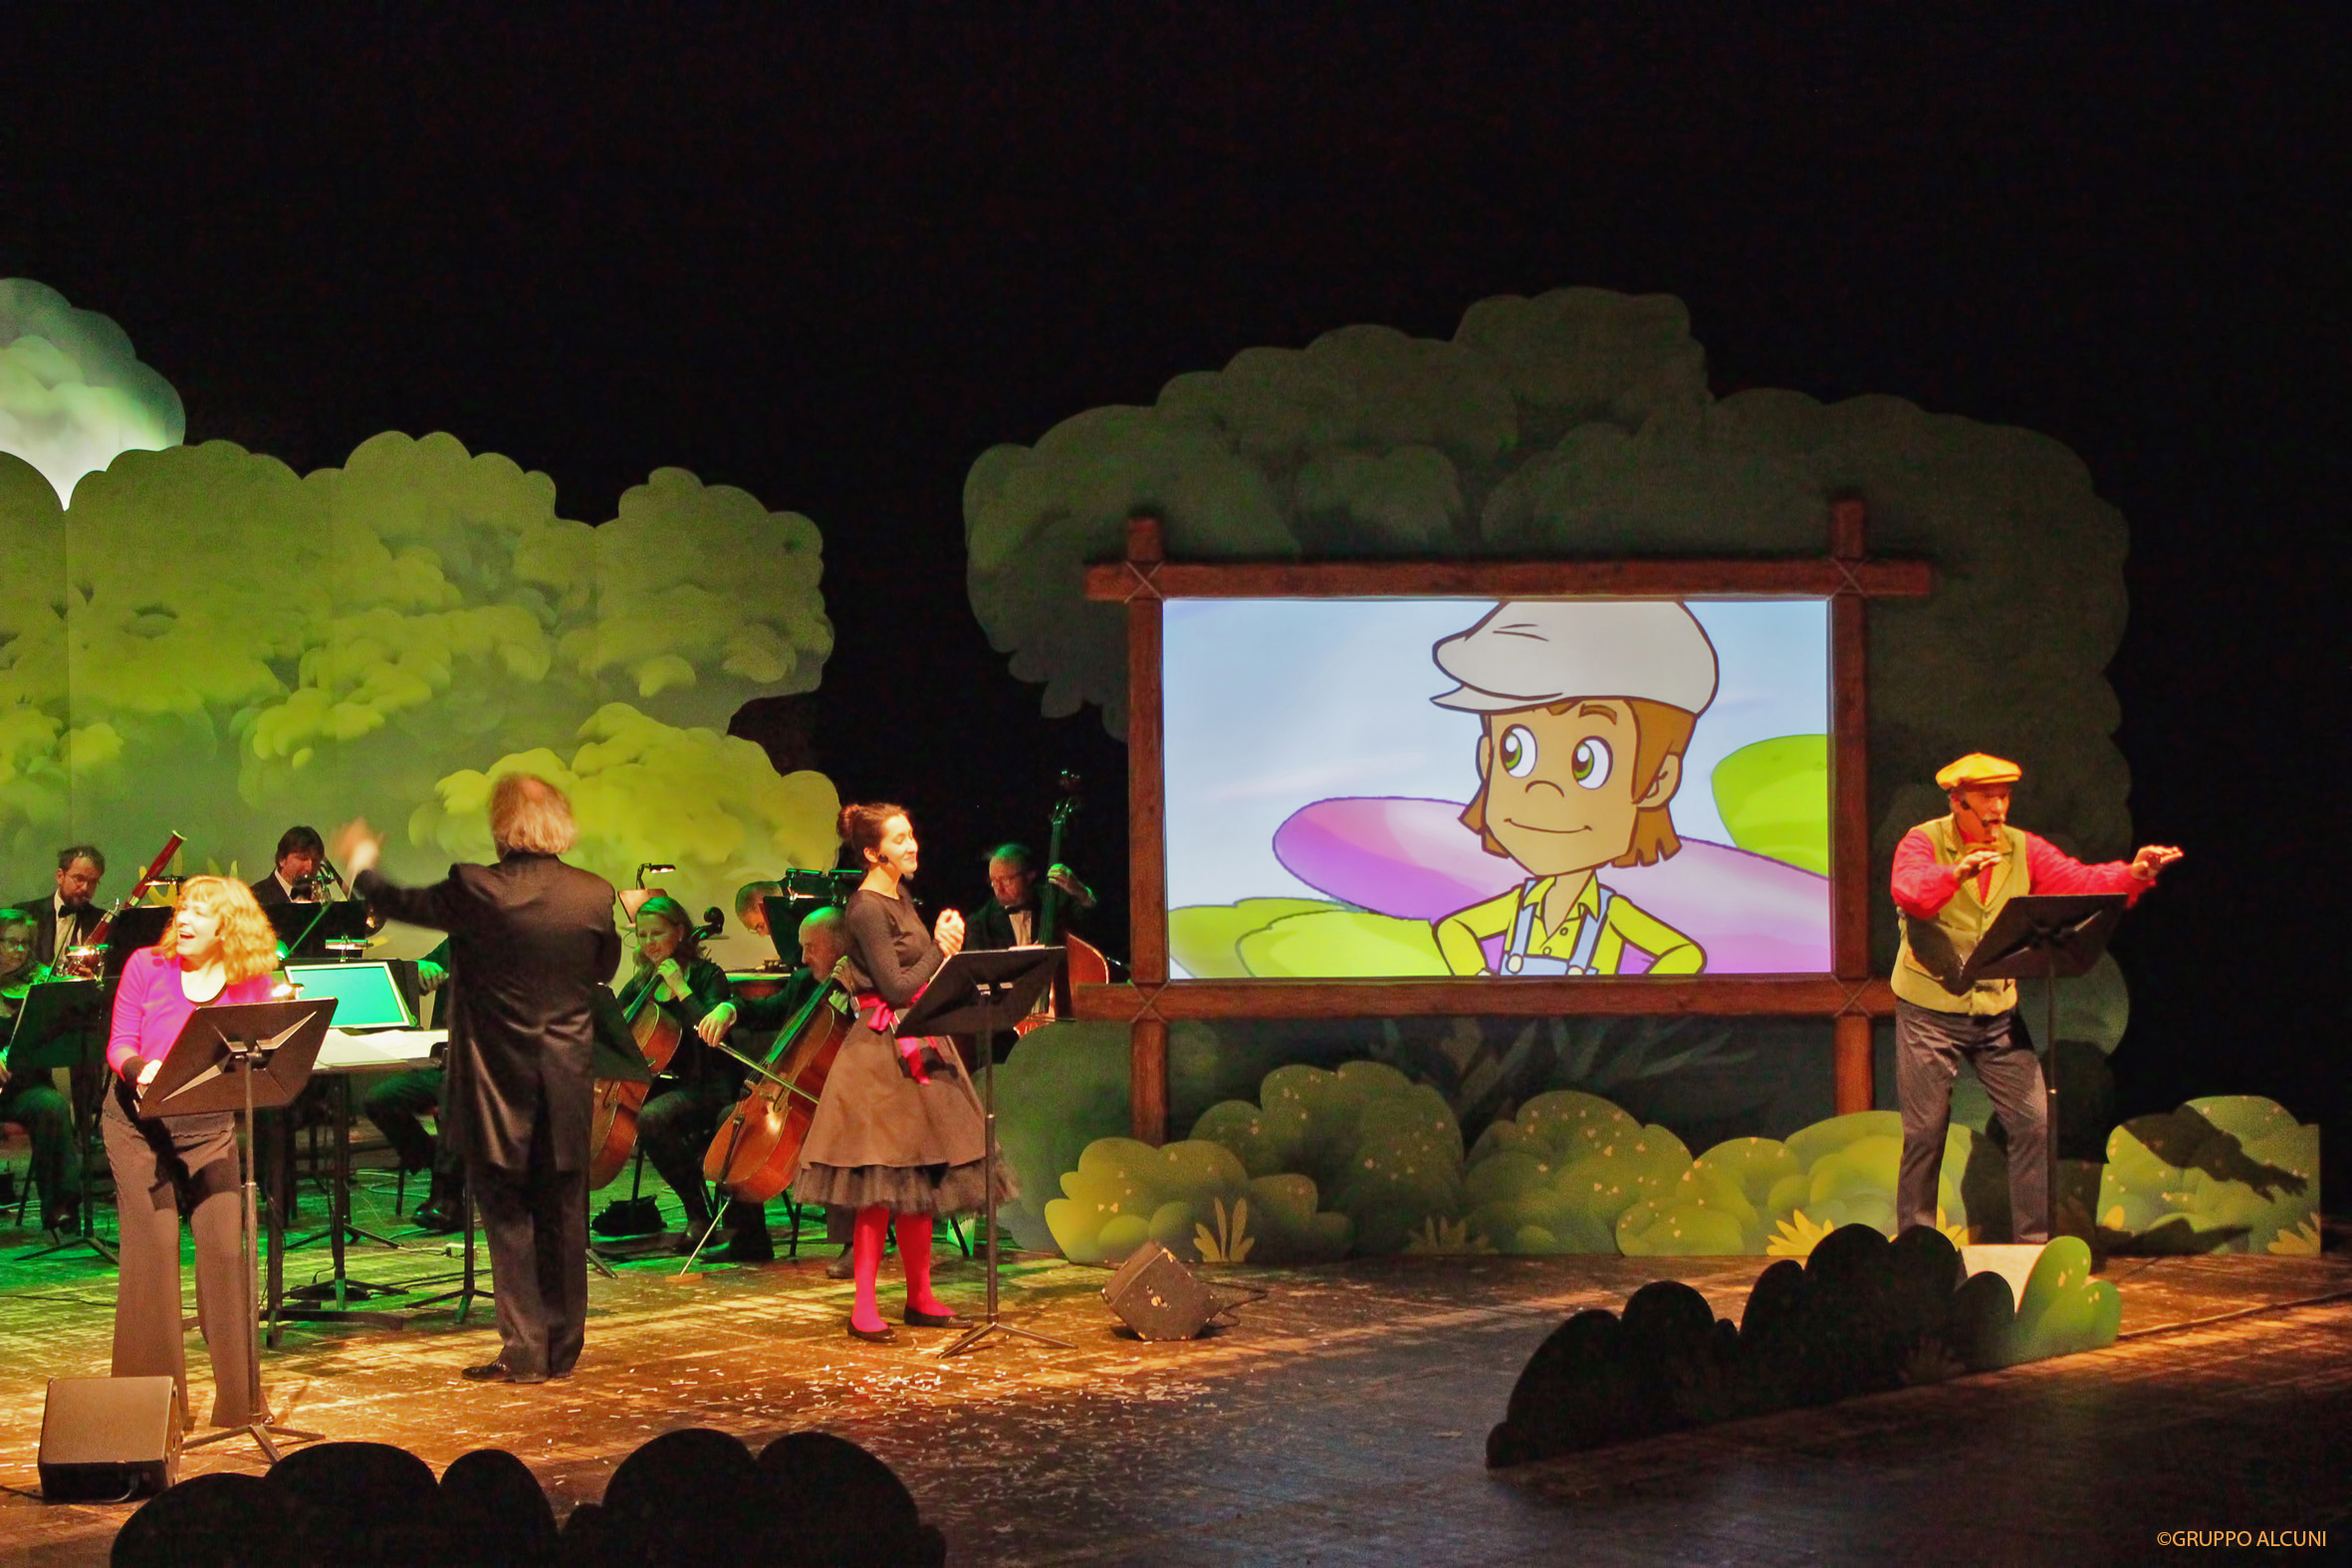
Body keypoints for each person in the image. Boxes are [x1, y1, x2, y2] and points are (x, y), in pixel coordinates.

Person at [337, 774, 622, 1385]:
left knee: (509, 1213)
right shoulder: (596, 894)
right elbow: (602, 968)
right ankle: (563, 1347)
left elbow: (403, 902)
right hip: (567, 1076)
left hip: (498, 1079)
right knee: (564, 1210)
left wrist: (361, 865)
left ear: (501, 828)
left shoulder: (476, 887)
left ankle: (525, 1351)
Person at [1891, 753, 2182, 1241]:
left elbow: (2079, 882)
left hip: (1996, 1012)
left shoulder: (2022, 848)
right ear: (1958, 802)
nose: (1998, 808)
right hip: (1930, 1010)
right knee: (1926, 1132)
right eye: (1987, 798)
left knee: (2033, 1122)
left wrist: (2134, 873)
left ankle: (2030, 1243)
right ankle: (1917, 1246)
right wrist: (1955, 874)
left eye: (2004, 797)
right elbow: (1909, 891)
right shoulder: (1923, 841)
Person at [784, 803, 1010, 1342]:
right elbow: (897, 986)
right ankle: (864, 1306)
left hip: (919, 1037)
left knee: (922, 1176)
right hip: (882, 1053)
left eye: (911, 835)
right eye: (899, 839)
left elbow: (917, 981)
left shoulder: (900, 896)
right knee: (880, 1184)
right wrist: (942, 949)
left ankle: (920, 1296)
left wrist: (941, 949)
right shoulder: (865, 907)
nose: (912, 845)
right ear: (872, 852)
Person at [1428, 602, 1713, 978]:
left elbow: (1686, 954)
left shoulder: (1613, 914)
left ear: (1657, 781)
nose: (1542, 791)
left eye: (1587, 762)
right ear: (1487, 759)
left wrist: (1633, 1000)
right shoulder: (1519, 906)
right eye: (1514, 752)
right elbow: (1453, 929)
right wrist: (1481, 982)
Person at [101, 876, 280, 1428]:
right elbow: (120, 1043)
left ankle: (240, 1403)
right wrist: (138, 1069)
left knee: (225, 1250)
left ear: (228, 927)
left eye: (200, 913)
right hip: (137, 1127)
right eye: (183, 909)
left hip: (208, 1130)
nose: (184, 919)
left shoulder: (250, 983)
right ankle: (152, 1412)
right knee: (154, 1254)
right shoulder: (145, 965)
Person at [698, 903, 859, 1275]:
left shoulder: (867, 983)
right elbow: (766, 1010)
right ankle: (749, 1238)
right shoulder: (804, 983)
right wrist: (729, 1009)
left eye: (810, 947)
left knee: (837, 1136)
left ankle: (855, 1243)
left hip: (853, 1097)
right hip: (801, 1094)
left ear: (839, 947)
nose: (802, 957)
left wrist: (856, 997)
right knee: (733, 1120)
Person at [621, 895, 770, 1259]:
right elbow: (617, 1028)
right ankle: (698, 1213)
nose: (649, 942)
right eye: (642, 935)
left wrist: (681, 989)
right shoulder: (641, 983)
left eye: (657, 933)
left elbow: (711, 1037)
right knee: (644, 1116)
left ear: (679, 932)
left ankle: (700, 1217)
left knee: (653, 1118)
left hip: (713, 1083)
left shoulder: (707, 976)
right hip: (669, 1084)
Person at [358, 939, 465, 1232]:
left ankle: (448, 1197)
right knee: (379, 1100)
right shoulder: (457, 941)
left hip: (485, 1068)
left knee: (454, 1093)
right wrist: (418, 968)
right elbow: (409, 978)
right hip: (442, 1061)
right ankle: (437, 1162)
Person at [0, 907, 84, 1232]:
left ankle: (61, 1207)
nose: (19, 950)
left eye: (25, 943)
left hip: (24, 1089)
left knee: (52, 1106)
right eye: (11, 942)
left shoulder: (42, 981)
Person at [965, 844, 1095, 951]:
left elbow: (1095, 926)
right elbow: (977, 969)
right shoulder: (980, 923)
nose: (999, 889)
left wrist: (1080, 891)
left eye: (1005, 880)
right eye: (994, 881)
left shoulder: (1056, 902)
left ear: (1029, 876)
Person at [12, 844, 107, 969]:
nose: (85, 888)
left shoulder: (102, 921)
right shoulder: (27, 913)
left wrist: (92, 977)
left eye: (93, 882)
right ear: (60, 876)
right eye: (79, 879)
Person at [248, 825, 348, 906]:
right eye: (303, 858)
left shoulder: (319, 895)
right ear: (282, 859)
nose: (310, 867)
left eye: (315, 860)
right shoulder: (254, 897)